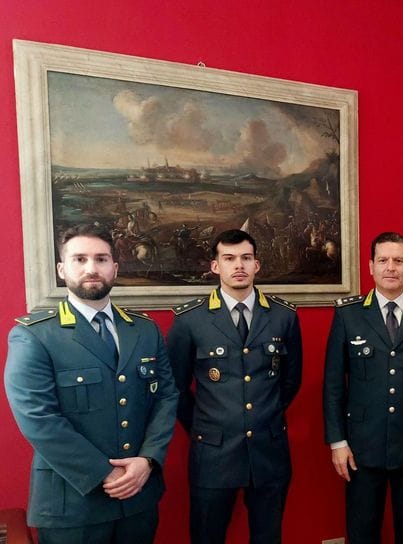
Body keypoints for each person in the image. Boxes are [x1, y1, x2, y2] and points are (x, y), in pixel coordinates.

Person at [4, 224, 178, 543]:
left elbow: (166, 397)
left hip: (138, 498)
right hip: (73, 505)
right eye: (80, 259)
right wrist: (106, 473)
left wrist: (148, 459)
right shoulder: (35, 335)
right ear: (62, 269)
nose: (91, 268)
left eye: (101, 259)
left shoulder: (144, 330)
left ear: (115, 268)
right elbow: (38, 418)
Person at [166, 229, 302, 544]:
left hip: (268, 452)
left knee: (268, 537)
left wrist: (264, 415)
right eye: (229, 258)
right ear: (215, 266)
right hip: (214, 453)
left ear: (257, 265)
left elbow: (290, 380)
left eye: (246, 258)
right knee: (207, 536)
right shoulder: (190, 320)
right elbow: (175, 388)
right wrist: (207, 426)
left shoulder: (283, 316)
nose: (238, 265)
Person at [323, 231, 403, 543]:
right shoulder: (349, 314)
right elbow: (333, 385)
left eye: (398, 260)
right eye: (383, 260)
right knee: (362, 532)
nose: (391, 267)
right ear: (371, 267)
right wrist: (337, 442)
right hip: (361, 447)